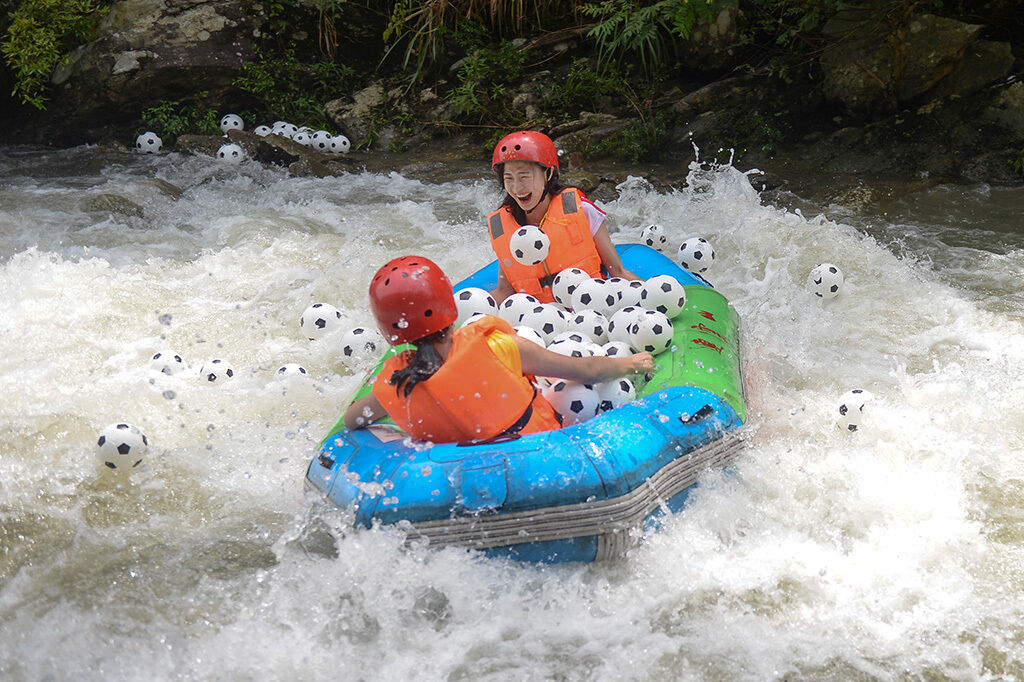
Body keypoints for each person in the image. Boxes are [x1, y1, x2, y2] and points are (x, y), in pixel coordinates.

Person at [344, 255, 653, 443]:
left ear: (390, 330)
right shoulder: (496, 346)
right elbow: (587, 370)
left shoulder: (398, 383)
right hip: (538, 454)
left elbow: (352, 421)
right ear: (449, 306)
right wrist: (632, 364)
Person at [487, 130, 639, 304]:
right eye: (509, 178)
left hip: (593, 306)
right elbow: (505, 291)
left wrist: (647, 292)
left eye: (524, 177)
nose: (516, 188)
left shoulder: (581, 209)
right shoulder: (503, 225)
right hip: (539, 316)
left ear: (548, 174)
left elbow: (618, 272)